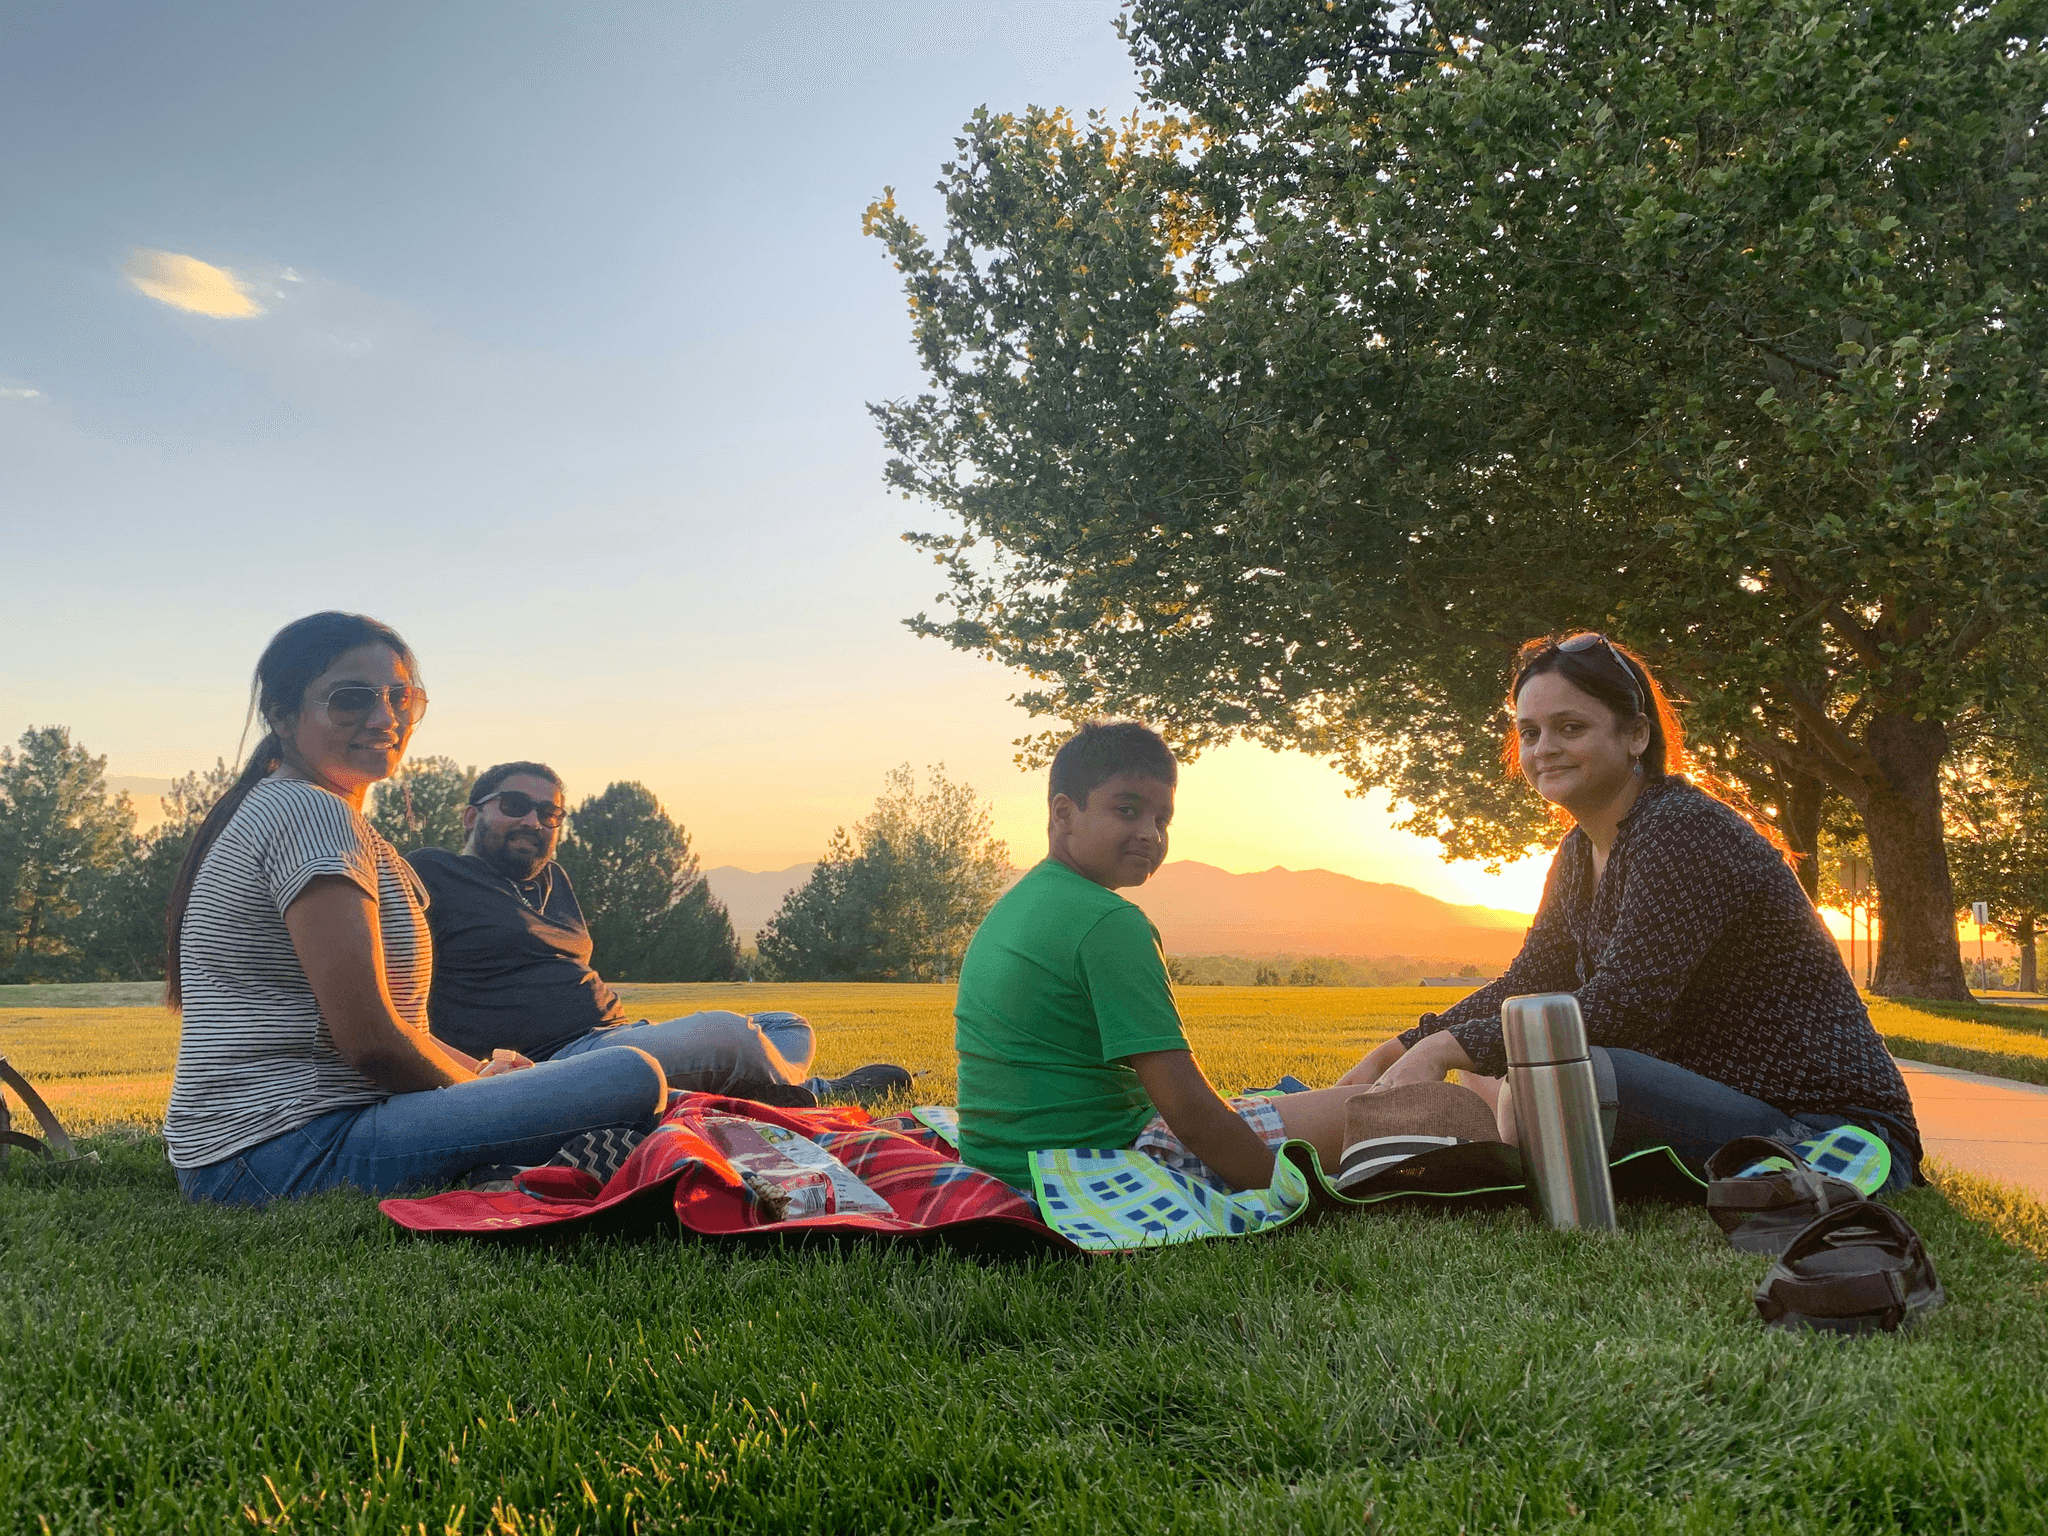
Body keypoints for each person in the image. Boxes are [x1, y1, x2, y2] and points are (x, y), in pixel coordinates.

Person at [1342, 633, 1921, 1189]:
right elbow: (1532, 980)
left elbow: (1624, 1005)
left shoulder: (1680, 828)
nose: (1544, 749)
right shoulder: (1577, 851)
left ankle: (1449, 1138)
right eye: (1530, 731)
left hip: (1833, 1132)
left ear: (1636, 735)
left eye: (1571, 727)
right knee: (1493, 1078)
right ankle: (1273, 1135)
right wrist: (1399, 1049)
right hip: (1720, 1110)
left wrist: (1447, 1049)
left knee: (1552, 1084)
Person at [165, 612, 666, 1207]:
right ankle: (566, 1154)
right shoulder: (310, 813)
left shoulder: (309, 811)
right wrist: (486, 1093)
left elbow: (403, 1031)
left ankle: (540, 1157)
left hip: (264, 1145)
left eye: (402, 697)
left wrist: (486, 1077)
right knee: (630, 1077)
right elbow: (373, 1043)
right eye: (351, 699)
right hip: (280, 1151)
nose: (385, 719)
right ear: (282, 714)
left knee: (591, 1081)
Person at [952, 719, 1363, 1192]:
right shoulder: (1108, 921)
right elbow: (1190, 1113)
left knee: (1361, 1092)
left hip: (1004, 1159)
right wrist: (1293, 1194)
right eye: (1128, 811)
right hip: (1102, 1163)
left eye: (1161, 820)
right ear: (1064, 813)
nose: (1150, 834)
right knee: (1398, 1106)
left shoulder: (1021, 903)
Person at [405, 762, 908, 1106]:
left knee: (788, 1024)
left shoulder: (554, 880)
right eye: (515, 804)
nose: (534, 819)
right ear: (472, 815)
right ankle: (813, 1094)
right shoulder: (431, 872)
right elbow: (395, 998)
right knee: (729, 1034)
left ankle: (750, 1089)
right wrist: (476, 1071)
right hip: (550, 1061)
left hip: (616, 1034)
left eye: (550, 812)